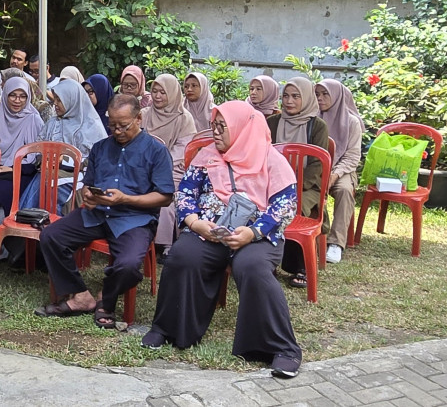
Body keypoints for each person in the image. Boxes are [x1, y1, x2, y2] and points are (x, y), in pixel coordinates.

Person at [144, 101, 302, 379]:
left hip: (256, 237)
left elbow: (285, 206)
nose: (215, 132)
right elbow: (186, 193)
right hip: (210, 231)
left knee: (251, 268)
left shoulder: (271, 160)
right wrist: (195, 223)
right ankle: (168, 329)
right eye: (214, 125)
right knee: (182, 256)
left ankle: (280, 349)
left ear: (243, 129)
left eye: (222, 126)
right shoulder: (207, 156)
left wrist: (252, 233)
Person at [35, 94, 174, 329]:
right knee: (50, 236)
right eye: (112, 125)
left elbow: (165, 196)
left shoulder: (156, 151)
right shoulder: (101, 148)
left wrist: (126, 198)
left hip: (134, 218)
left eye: (123, 126)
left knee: (129, 265)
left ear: (139, 118)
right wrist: (89, 196)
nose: (117, 131)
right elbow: (88, 183)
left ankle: (105, 300)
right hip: (98, 213)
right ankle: (79, 296)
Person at [267, 76, 329, 289]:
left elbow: (317, 165)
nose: (289, 101)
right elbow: (262, 154)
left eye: (296, 96)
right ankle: (268, 262)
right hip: (272, 184)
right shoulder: (272, 122)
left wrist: (293, 186)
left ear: (307, 98)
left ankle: (299, 266)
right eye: (285, 96)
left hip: (307, 187)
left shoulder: (317, 126)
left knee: (294, 207)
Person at [0, 77, 43, 246]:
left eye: (22, 96)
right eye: (13, 95)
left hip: (23, 172)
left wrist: (12, 169)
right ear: (5, 95)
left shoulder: (33, 120)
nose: (17, 100)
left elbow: (36, 159)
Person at [144, 74, 200, 253]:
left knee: (166, 195)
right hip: (143, 166)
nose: (157, 96)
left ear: (173, 94)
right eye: (154, 91)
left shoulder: (184, 118)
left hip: (172, 168)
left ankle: (166, 245)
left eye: (163, 92)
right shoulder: (144, 114)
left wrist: (158, 164)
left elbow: (183, 151)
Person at [315, 79, 364, 265]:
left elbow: (352, 157)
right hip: (316, 169)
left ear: (337, 96)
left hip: (342, 170)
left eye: (325, 94)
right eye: (317, 94)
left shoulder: (352, 122)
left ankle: (336, 242)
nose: (320, 98)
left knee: (344, 190)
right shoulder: (312, 117)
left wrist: (334, 174)